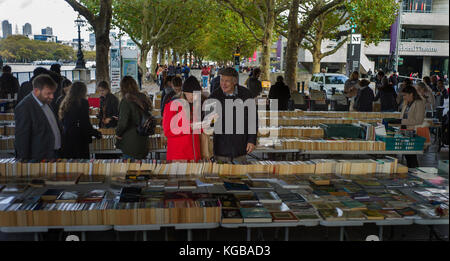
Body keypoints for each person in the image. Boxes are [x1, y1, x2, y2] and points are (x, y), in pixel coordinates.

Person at [207, 67, 257, 163]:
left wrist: (251, 140)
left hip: (240, 148)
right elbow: (207, 121)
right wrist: (211, 119)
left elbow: (253, 119)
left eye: (227, 81)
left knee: (240, 176)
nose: (223, 84)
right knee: (221, 177)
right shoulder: (214, 96)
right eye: (221, 80)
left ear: (235, 82)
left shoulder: (246, 95)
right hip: (221, 149)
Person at [15, 74, 62, 161]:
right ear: (36, 91)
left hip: (53, 154)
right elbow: (22, 138)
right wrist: (25, 162)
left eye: (53, 93)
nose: (52, 96)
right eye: (48, 93)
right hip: (38, 158)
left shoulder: (46, 102)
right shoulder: (24, 107)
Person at [163, 76, 205, 161]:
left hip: (194, 155)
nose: (194, 97)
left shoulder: (194, 106)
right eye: (192, 94)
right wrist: (190, 127)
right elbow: (168, 131)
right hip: (178, 155)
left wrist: (206, 124)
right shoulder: (172, 106)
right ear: (185, 92)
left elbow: (197, 129)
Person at [59, 81, 102, 159]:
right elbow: (85, 124)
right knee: (82, 164)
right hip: (79, 139)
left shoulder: (66, 102)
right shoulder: (83, 102)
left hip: (67, 138)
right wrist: (96, 133)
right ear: (83, 91)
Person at [116, 76, 152, 159]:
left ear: (123, 87)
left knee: (130, 168)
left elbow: (123, 123)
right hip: (144, 140)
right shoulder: (143, 97)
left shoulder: (126, 100)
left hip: (130, 142)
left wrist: (118, 134)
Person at [399, 85, 426, 168]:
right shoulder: (407, 103)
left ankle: (415, 173)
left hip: (413, 132)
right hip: (405, 131)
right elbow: (404, 116)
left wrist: (401, 121)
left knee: (412, 157)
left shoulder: (419, 103)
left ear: (411, 94)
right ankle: (411, 173)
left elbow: (419, 120)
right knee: (408, 156)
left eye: (405, 95)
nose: (403, 97)